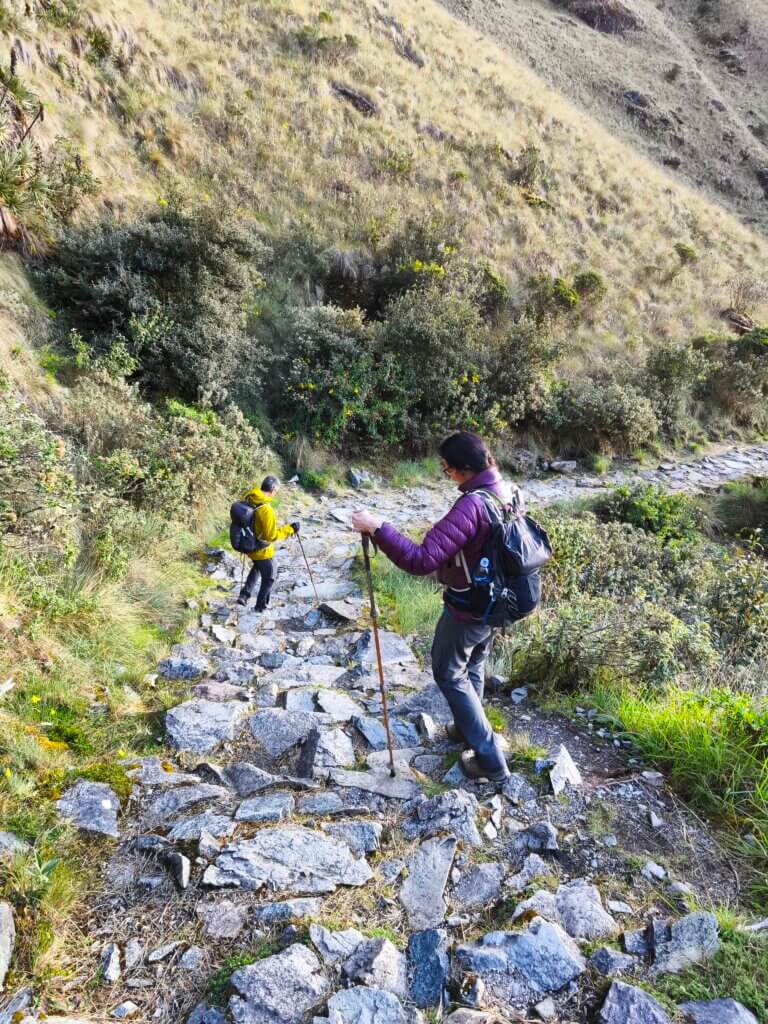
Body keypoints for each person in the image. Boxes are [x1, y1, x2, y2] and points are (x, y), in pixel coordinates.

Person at [351, 432, 540, 783]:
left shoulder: (472, 506)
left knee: (449, 673)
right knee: (473, 664)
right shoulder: (509, 491)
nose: (447, 474)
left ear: (464, 469)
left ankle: (490, 760)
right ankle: (468, 729)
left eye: (447, 469)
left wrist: (378, 528)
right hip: (498, 603)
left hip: (468, 609)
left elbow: (421, 560)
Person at [237, 475, 300, 611]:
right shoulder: (266, 509)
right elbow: (271, 536)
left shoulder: (250, 498)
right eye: (276, 491)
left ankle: (244, 595)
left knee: (257, 567)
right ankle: (260, 607)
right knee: (270, 576)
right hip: (261, 549)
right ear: (273, 489)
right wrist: (290, 529)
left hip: (249, 544)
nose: (275, 494)